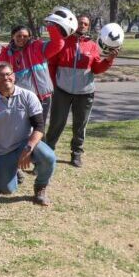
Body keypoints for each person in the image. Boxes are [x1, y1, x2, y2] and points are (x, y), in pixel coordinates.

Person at [0, 62, 57, 206]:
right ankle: (9, 173)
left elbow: (39, 127)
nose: (5, 78)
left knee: (49, 157)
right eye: (1, 75)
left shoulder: (28, 96)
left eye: (8, 74)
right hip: (3, 152)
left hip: (25, 145)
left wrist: (28, 148)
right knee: (6, 190)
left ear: (14, 76)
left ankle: (40, 188)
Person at [46, 14, 117, 167]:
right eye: (80, 22)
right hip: (62, 91)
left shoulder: (92, 45)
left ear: (88, 27)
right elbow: (52, 65)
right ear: (73, 23)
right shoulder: (63, 42)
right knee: (56, 123)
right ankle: (47, 152)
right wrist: (53, 84)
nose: (82, 25)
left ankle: (76, 153)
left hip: (85, 93)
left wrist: (108, 60)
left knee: (80, 125)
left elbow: (96, 69)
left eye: (85, 24)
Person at [0, 22, 65, 124]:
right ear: (13, 36)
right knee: (22, 128)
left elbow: (59, 43)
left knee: (39, 128)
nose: (22, 38)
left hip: (42, 97)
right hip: (20, 98)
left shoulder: (38, 47)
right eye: (18, 36)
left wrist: (50, 26)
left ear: (30, 37)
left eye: (25, 36)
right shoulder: (5, 54)